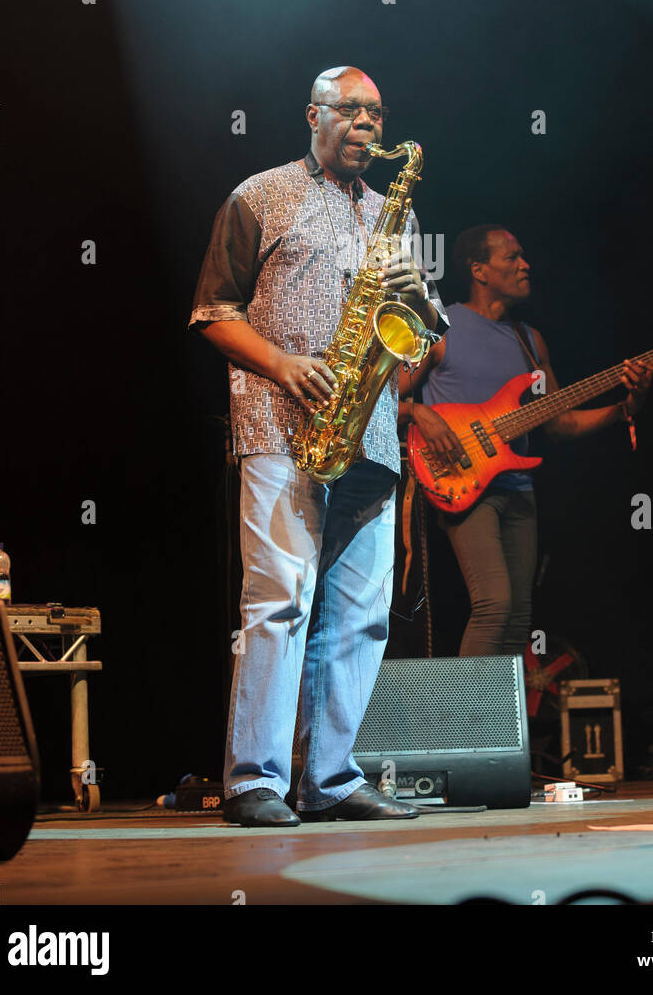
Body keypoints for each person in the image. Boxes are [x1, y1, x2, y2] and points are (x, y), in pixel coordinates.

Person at [189, 66, 447, 826]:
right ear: (314, 114)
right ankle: (253, 782)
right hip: (278, 426)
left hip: (367, 433)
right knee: (279, 602)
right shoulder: (259, 195)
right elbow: (211, 312)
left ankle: (331, 779)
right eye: (353, 110)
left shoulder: (391, 212)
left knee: (363, 614)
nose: (367, 124)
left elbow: (425, 343)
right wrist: (281, 362)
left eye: (377, 112)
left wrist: (421, 297)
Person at [398, 225, 652, 658]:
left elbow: (559, 422)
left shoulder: (530, 341)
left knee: (518, 618)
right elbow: (387, 399)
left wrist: (625, 407)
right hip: (462, 484)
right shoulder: (442, 325)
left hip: (519, 490)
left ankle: (503, 727)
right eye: (512, 257)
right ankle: (466, 727)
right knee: (494, 606)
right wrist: (419, 411)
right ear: (479, 270)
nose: (525, 264)